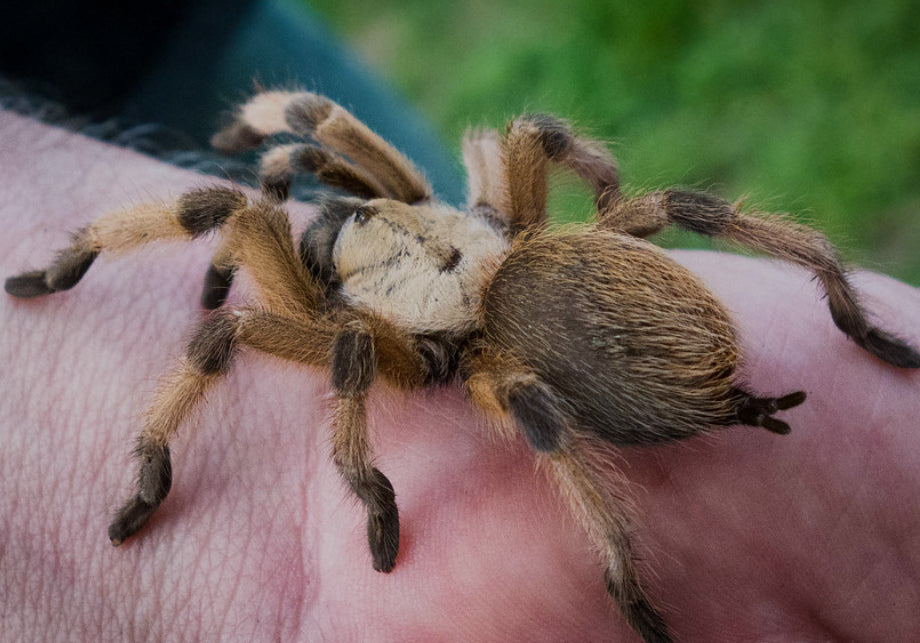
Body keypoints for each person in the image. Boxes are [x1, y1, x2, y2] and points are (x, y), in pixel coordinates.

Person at [2, 104, 920, 641]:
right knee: (524, 141)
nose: (323, 211)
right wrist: (600, 189)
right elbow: (531, 138)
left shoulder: (394, 343)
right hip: (516, 256)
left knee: (231, 295)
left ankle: (624, 574)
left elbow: (325, 342)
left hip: (499, 321)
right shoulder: (481, 207)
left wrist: (364, 473)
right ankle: (838, 295)